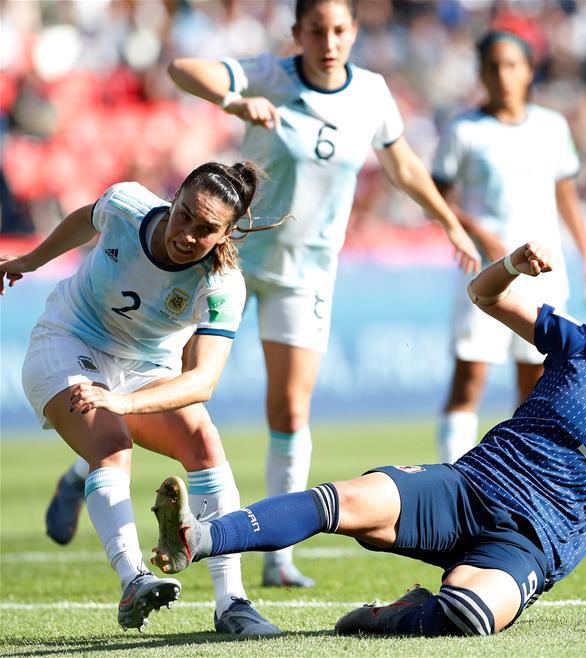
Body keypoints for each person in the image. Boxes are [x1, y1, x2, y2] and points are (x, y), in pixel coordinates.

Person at [150, 243, 586, 637]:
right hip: (467, 488)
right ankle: (197, 537)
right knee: (343, 501)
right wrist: (511, 263)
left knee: (467, 614)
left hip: (528, 547)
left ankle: (399, 615)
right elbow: (484, 295)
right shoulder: (579, 346)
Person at [151, 0, 480, 589]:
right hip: (230, 260)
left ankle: (277, 555)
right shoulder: (273, 76)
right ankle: (87, 468)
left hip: (307, 272)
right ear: (296, 33)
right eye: (316, 30)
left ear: (353, 32)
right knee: (158, 380)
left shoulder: (372, 94)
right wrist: (233, 99)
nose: (329, 42)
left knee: (291, 407)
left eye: (339, 30)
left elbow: (403, 166)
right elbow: (181, 69)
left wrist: (449, 223)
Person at [2, 162, 281, 635]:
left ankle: (232, 603)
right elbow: (85, 219)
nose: (187, 234)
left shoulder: (223, 285)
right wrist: (31, 260)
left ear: (228, 233)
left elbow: (202, 382)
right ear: (174, 199)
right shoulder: (126, 204)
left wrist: (124, 402)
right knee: (113, 445)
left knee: (203, 440)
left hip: (145, 370)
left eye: (206, 229)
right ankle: (134, 578)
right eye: (185, 215)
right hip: (68, 342)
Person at [433, 29, 586, 463]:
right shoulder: (464, 129)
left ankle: (515, 479)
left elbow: (566, 194)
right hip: (488, 270)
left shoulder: (552, 126)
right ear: (481, 73)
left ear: (528, 72)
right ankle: (453, 476)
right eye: (493, 66)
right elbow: (438, 199)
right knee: (469, 377)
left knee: (538, 381)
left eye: (512, 65)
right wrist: (478, 232)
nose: (502, 75)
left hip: (544, 272)